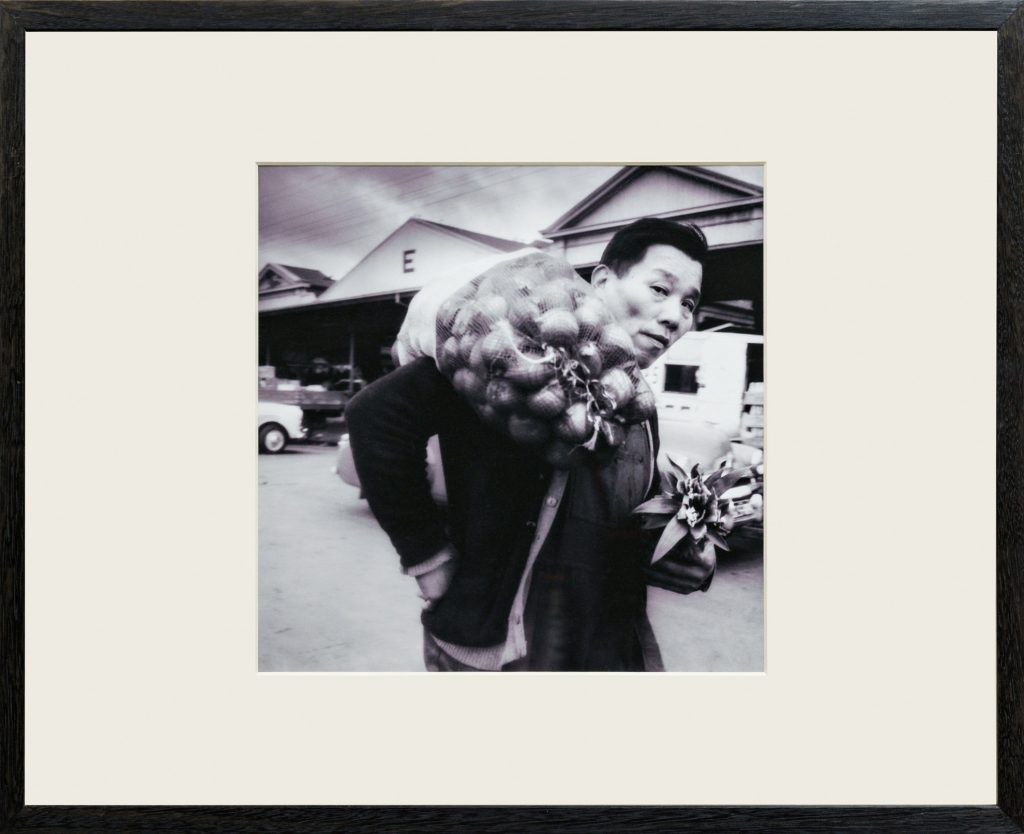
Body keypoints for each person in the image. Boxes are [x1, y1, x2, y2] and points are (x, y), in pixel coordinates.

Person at [346, 218, 714, 672]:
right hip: (502, 653)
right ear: (602, 282)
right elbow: (374, 417)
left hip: (600, 650)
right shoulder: (512, 363)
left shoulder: (640, 407)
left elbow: (621, 522)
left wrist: (687, 556)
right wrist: (428, 561)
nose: (675, 316)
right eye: (661, 289)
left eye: (689, 303)